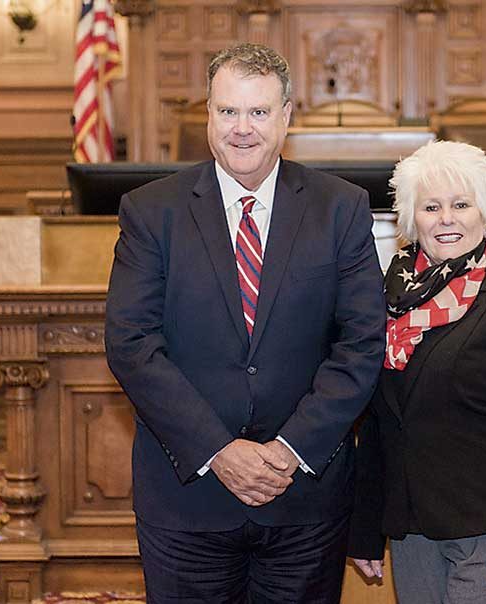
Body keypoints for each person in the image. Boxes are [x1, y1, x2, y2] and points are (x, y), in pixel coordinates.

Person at [105, 42, 386, 604]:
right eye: (228, 111)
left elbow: (360, 344)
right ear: (208, 114)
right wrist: (219, 451)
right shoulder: (150, 210)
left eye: (258, 112)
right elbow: (132, 343)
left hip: (303, 497)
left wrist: (287, 451)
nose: (242, 129)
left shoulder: (342, 208)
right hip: (187, 500)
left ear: (286, 116)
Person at [348, 140, 486, 603]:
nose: (446, 218)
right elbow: (378, 424)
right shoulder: (386, 302)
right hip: (414, 536)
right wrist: (367, 527)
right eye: (431, 206)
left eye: (461, 204)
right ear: (411, 220)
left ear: (484, 213)